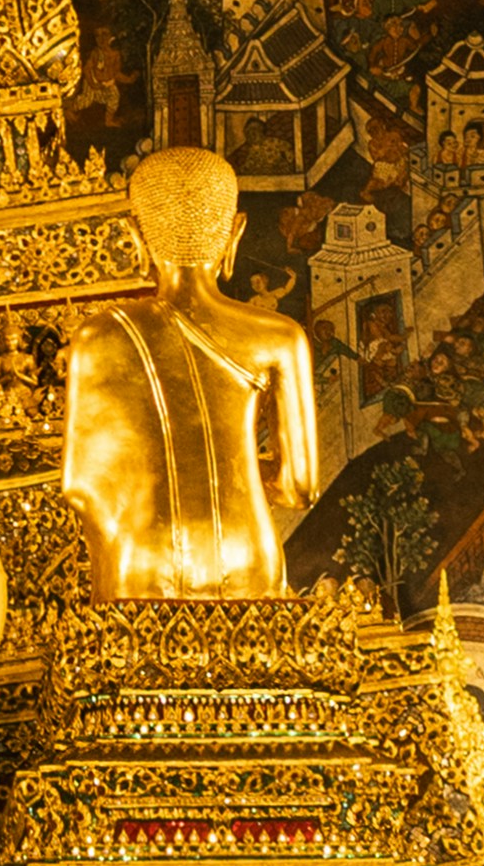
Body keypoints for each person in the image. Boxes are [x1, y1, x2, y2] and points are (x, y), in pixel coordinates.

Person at [62, 148, 320, 597]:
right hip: (246, 553)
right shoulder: (281, 337)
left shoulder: (97, 336)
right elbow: (299, 488)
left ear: (136, 237)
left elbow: (82, 486)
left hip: (142, 558)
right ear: (235, 233)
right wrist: (232, 472)